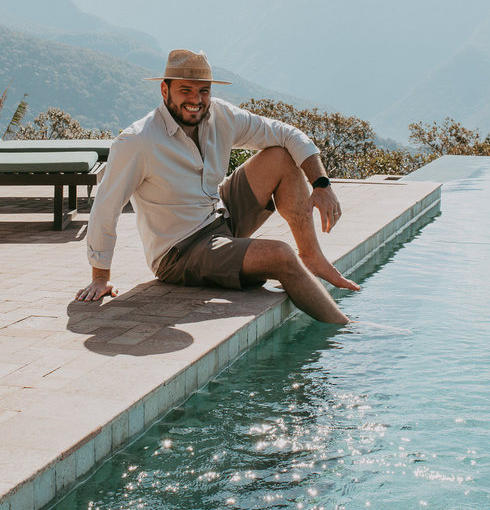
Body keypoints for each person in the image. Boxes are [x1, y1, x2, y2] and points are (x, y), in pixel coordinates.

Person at [76, 48, 360, 324]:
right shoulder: (137, 141)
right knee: (280, 255)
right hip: (180, 251)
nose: (196, 99)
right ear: (165, 91)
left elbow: (287, 133)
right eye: (185, 90)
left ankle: (311, 256)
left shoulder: (220, 116)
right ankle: (347, 330)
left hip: (218, 215)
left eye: (204, 91)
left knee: (281, 156)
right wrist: (100, 276)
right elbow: (106, 205)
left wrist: (321, 185)